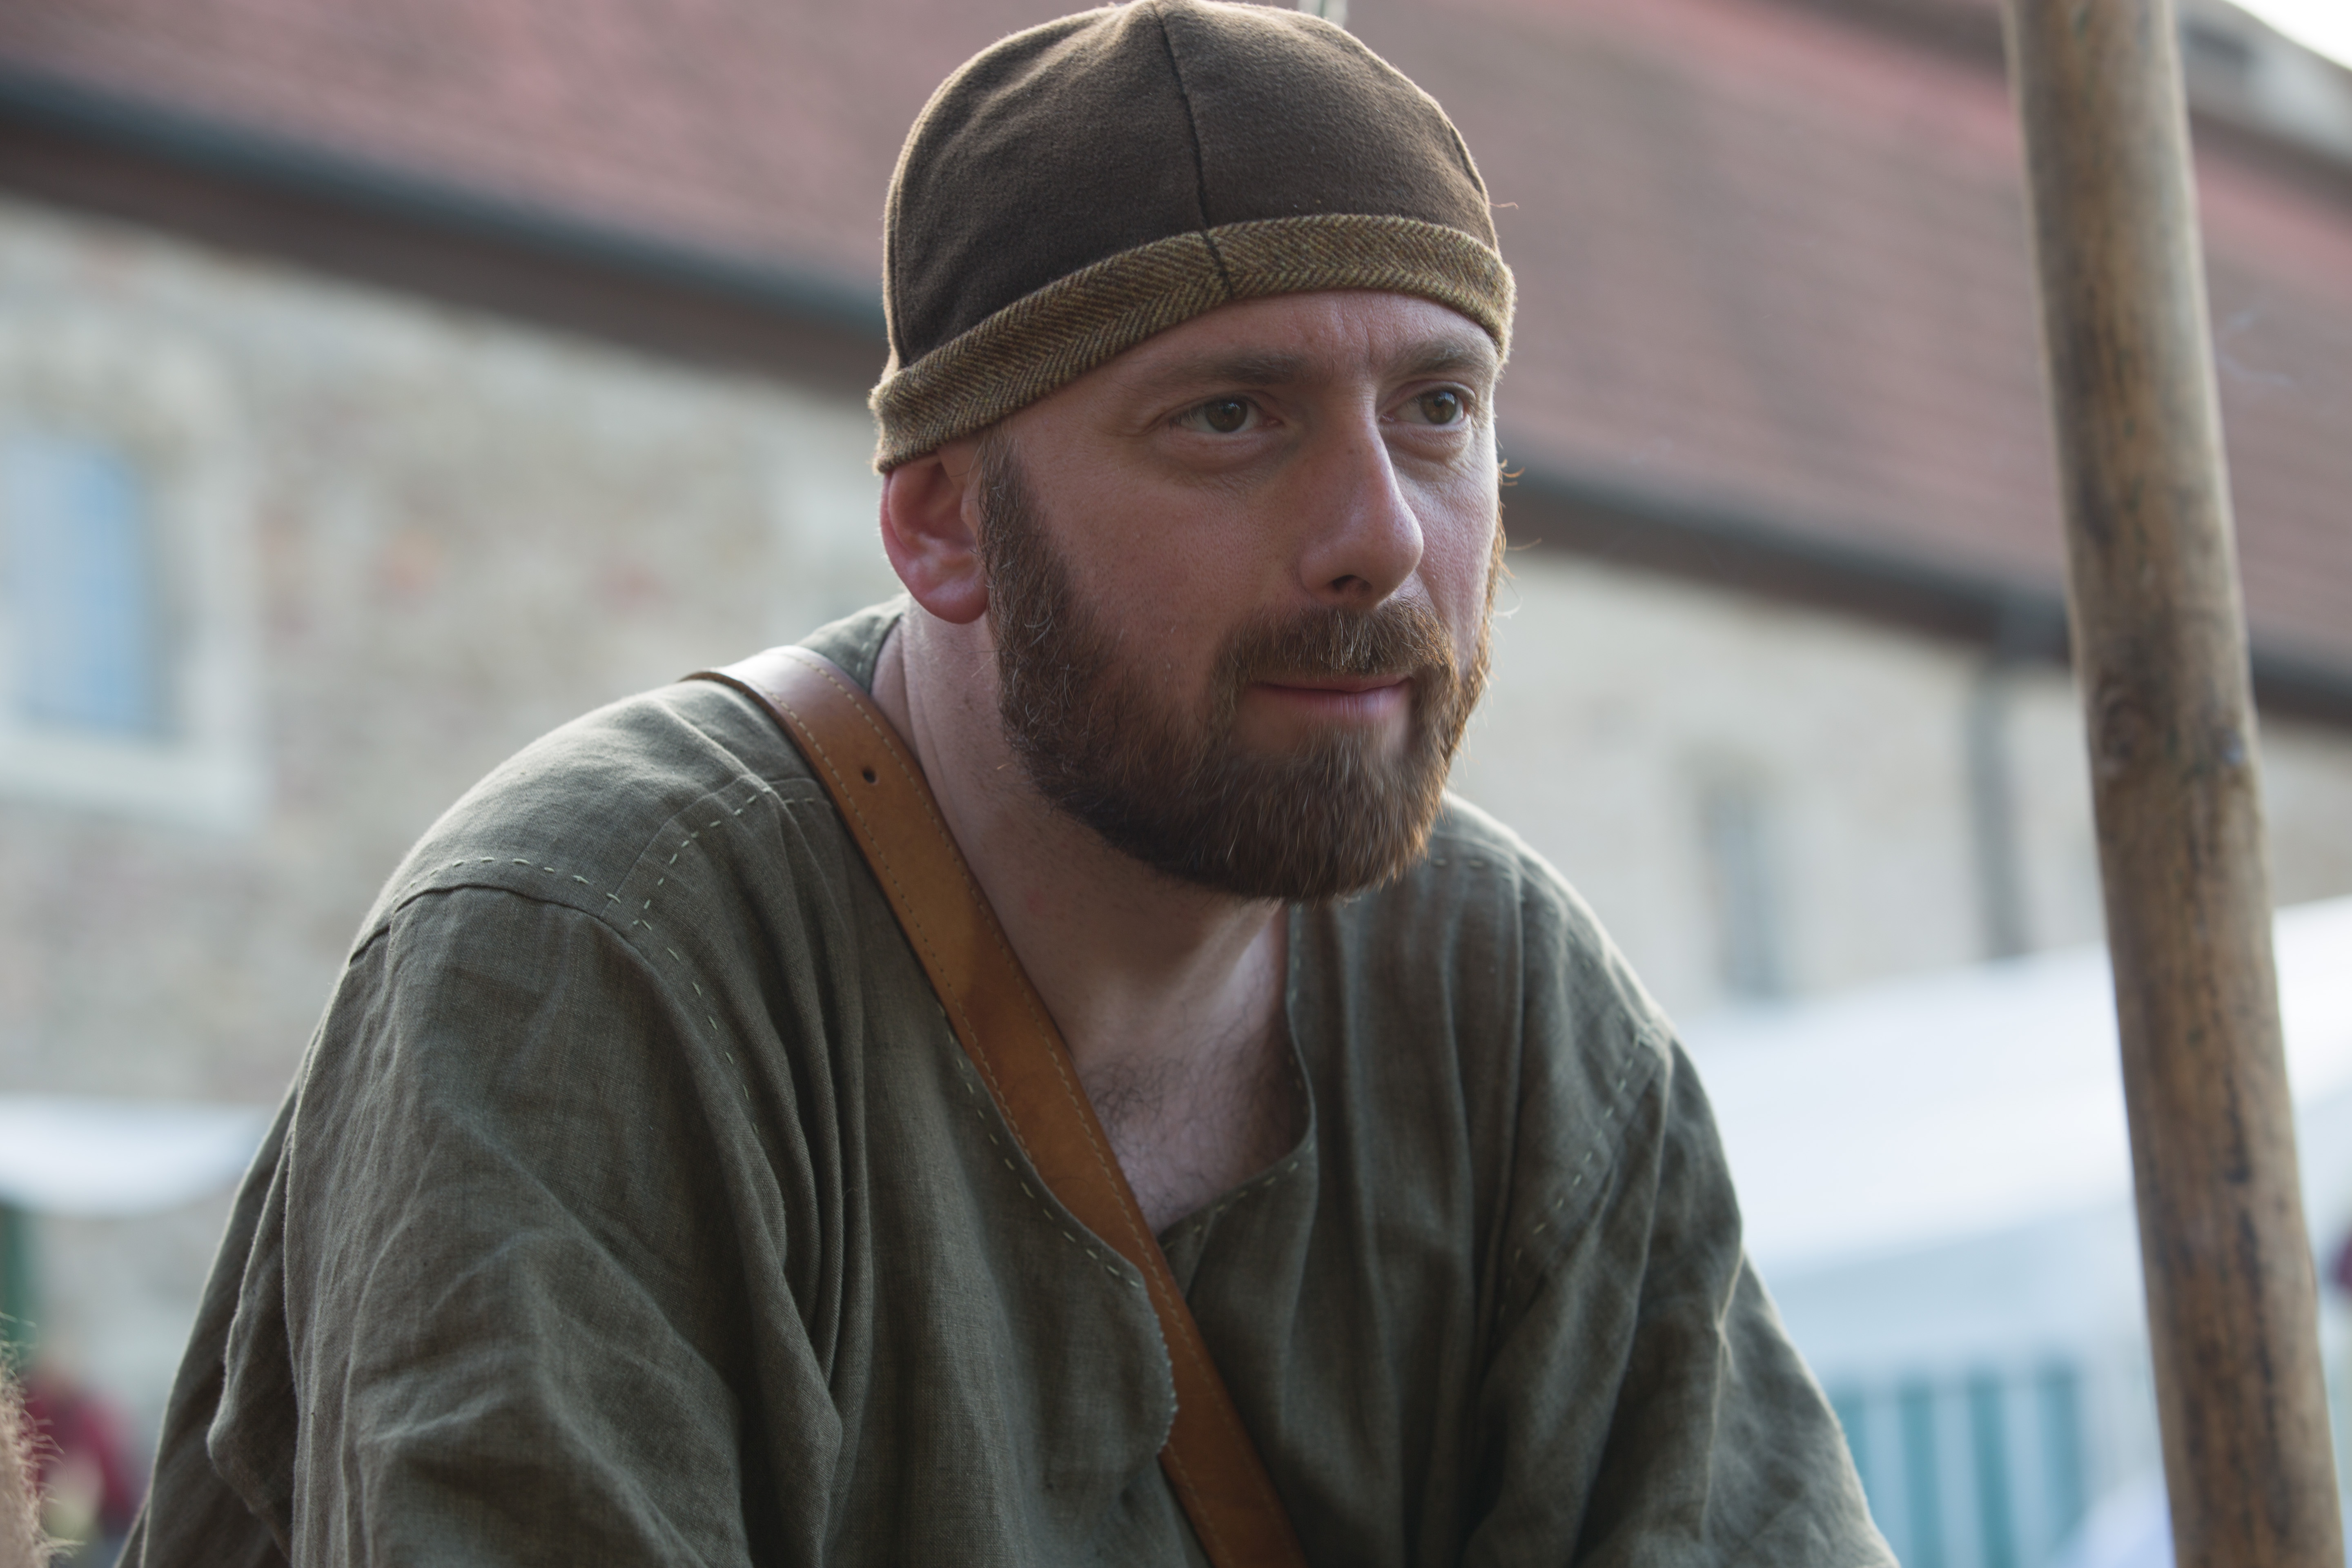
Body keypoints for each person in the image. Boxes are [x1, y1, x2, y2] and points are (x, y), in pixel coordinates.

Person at [125, 4, 1891, 1563]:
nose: (1378, 534)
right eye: (1230, 417)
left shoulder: (1512, 1011)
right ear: (943, 526)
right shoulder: (590, 967)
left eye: (1438, 410)